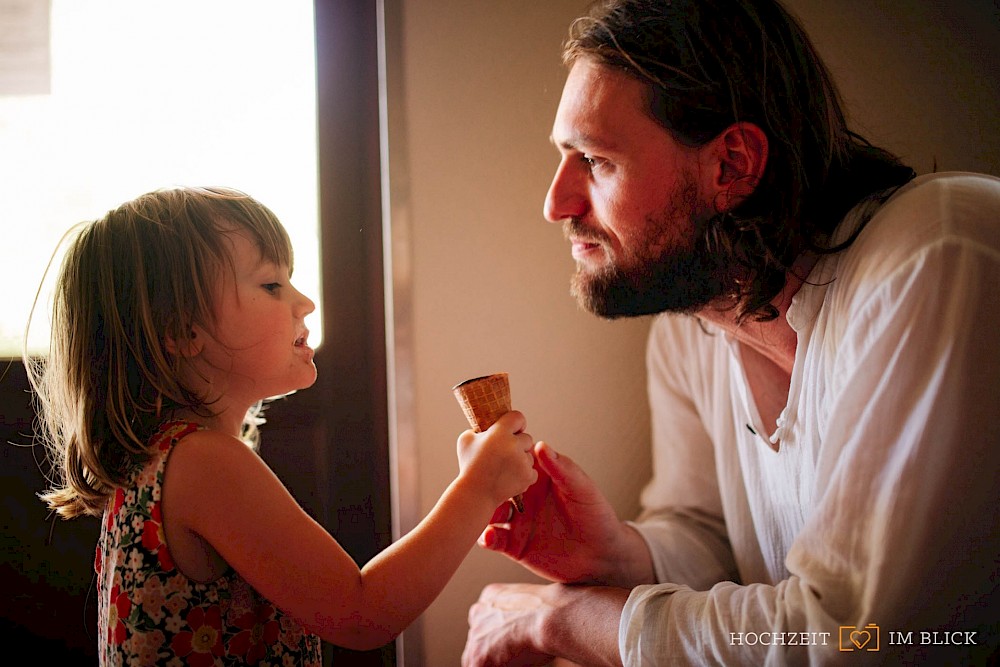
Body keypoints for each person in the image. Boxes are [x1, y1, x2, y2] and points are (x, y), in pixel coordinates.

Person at [462, 0, 1000, 665]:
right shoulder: (693, 326)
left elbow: (861, 638)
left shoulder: (940, 257)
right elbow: (712, 541)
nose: (556, 204)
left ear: (733, 165)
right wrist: (620, 553)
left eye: (596, 161)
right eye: (563, 156)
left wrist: (569, 619)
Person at [26, 186, 537, 665]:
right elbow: (361, 613)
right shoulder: (205, 463)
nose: (304, 302)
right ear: (182, 331)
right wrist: (477, 490)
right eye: (272, 285)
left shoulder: (166, 460)